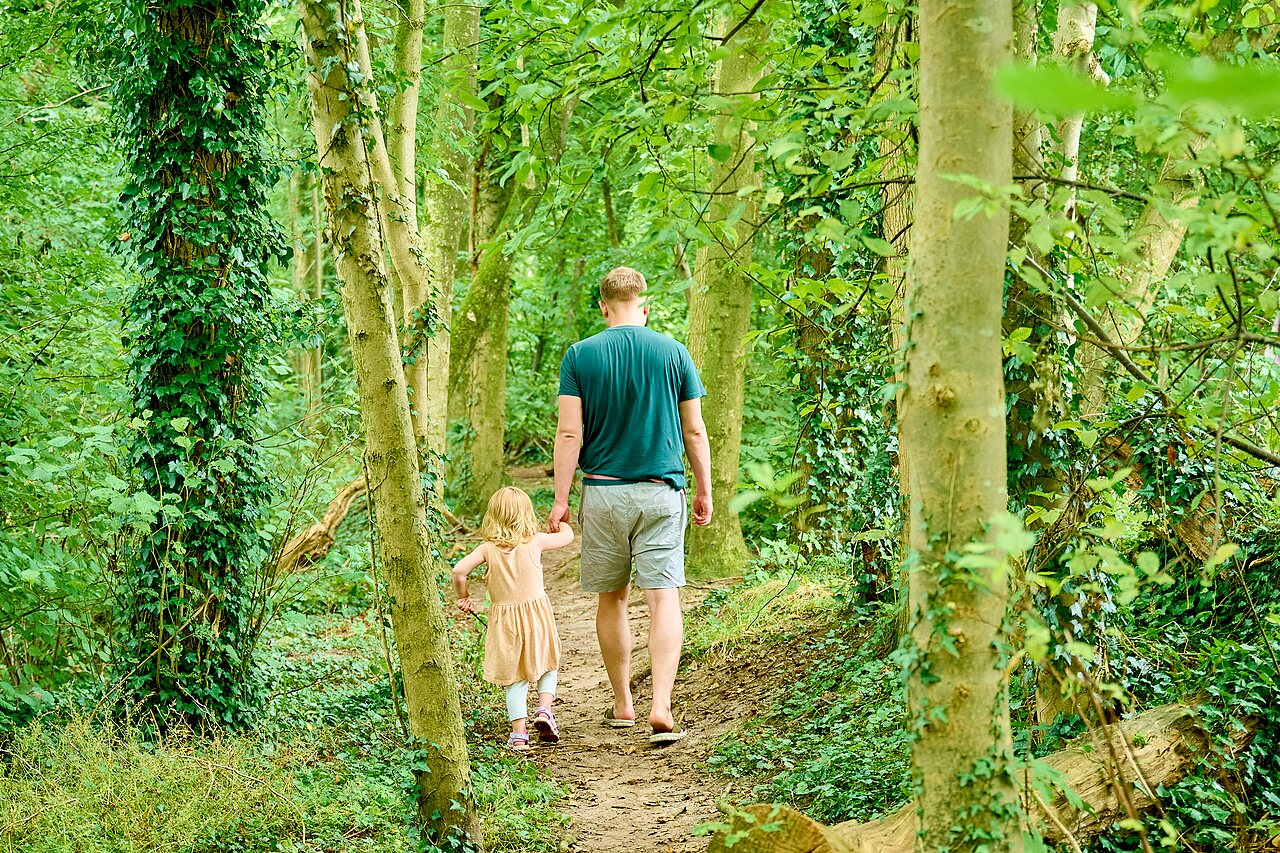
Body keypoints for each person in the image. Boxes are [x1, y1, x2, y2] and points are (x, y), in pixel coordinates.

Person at [547, 265, 712, 746]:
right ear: (646, 305)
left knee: (612, 597)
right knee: (663, 598)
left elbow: (569, 433)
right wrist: (704, 489)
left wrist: (560, 500)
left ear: (603, 307)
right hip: (661, 492)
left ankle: (623, 704)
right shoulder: (674, 352)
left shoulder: (580, 355)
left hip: (603, 493)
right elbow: (694, 430)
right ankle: (662, 705)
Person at [453, 486, 574, 751]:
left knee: (515, 677)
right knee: (548, 663)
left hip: (506, 623)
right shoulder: (536, 541)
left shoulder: (487, 549)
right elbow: (568, 537)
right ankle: (544, 710)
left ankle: (519, 736)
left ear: (493, 516)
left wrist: (463, 597)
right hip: (537, 616)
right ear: (526, 514)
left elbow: (459, 571)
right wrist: (561, 522)